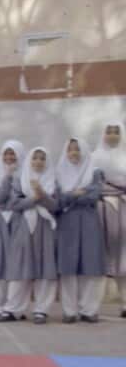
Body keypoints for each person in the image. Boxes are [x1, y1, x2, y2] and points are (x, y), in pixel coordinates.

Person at [0, 147, 59, 324]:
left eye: (42, 159)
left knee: (45, 267)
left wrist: (43, 194)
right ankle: (13, 309)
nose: (38, 162)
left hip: (45, 227)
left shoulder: (53, 180)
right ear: (29, 161)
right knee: (20, 267)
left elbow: (56, 206)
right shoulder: (20, 180)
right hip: (24, 226)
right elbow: (13, 203)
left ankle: (41, 310)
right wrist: (35, 198)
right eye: (35, 158)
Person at [55, 137, 106, 323]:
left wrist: (71, 196)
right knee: (68, 267)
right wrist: (74, 194)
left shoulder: (94, 172)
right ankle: (69, 311)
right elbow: (57, 200)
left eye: (77, 149)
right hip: (67, 222)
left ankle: (89, 310)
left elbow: (93, 196)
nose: (74, 153)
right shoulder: (59, 172)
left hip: (88, 221)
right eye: (70, 150)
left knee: (90, 265)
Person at [0, 141, 24, 319]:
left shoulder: (26, 174)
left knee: (17, 263)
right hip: (0, 220)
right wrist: (8, 177)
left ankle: (14, 307)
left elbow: (21, 198)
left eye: (13, 154)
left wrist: (7, 195)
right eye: (6, 155)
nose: (9, 158)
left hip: (18, 219)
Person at [91, 121, 125, 316]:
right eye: (109, 131)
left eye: (116, 132)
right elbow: (93, 184)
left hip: (123, 211)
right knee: (99, 259)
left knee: (123, 259)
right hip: (101, 210)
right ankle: (92, 307)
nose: (112, 135)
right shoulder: (95, 158)